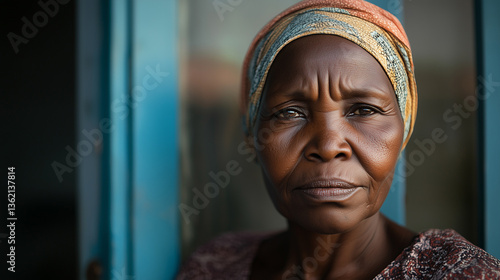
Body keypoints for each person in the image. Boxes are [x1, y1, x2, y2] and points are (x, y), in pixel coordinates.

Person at [177, 0, 500, 279]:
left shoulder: (459, 272)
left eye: (363, 110)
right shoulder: (215, 265)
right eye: (290, 113)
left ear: (404, 131)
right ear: (252, 137)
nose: (329, 146)